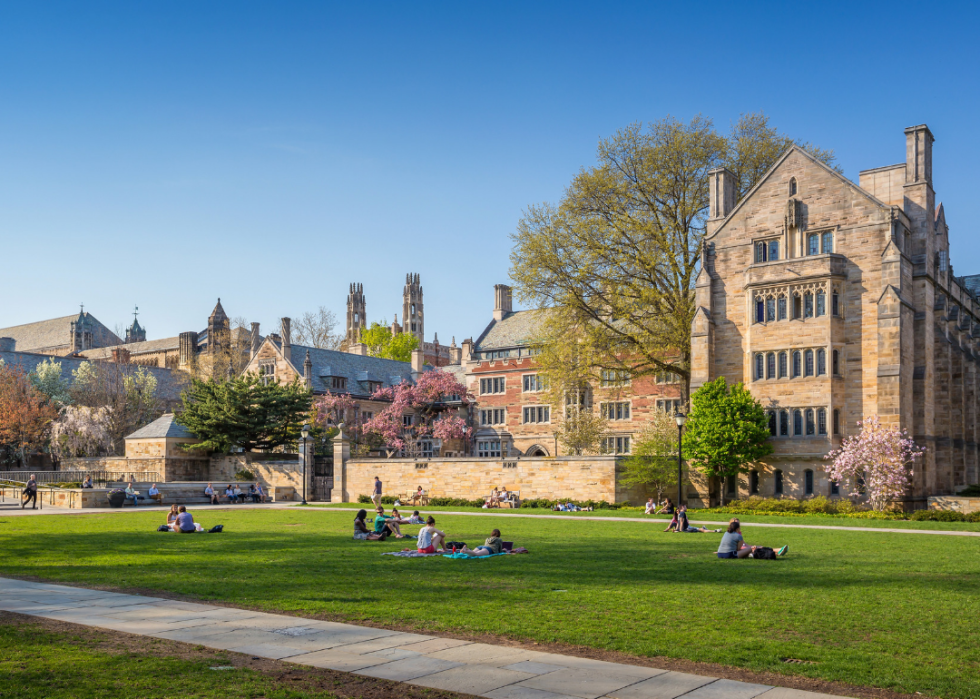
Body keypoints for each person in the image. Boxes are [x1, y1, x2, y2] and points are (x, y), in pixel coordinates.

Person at [717, 520, 788, 559]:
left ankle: (776, 552)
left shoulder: (726, 533)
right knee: (753, 548)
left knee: (752, 549)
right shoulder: (738, 536)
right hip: (730, 555)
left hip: (720, 554)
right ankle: (776, 552)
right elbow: (738, 550)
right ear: (738, 528)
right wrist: (750, 549)